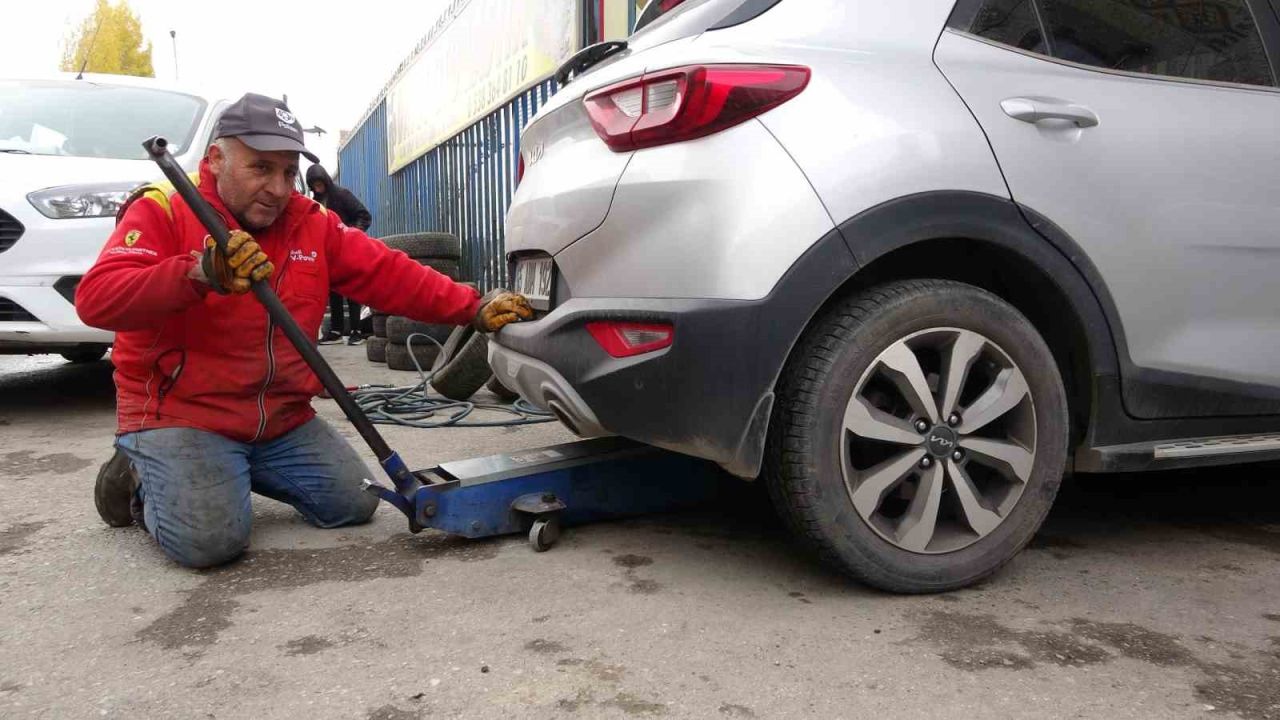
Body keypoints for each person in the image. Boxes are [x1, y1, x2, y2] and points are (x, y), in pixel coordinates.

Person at [77, 93, 533, 569]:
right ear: (216, 159)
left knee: (355, 504)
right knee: (209, 543)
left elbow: (387, 273)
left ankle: (225, 470)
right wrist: (198, 274)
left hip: (279, 417)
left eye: (287, 172)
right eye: (260, 168)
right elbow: (98, 298)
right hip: (183, 414)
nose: (277, 188)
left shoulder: (309, 222)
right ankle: (137, 474)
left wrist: (472, 306)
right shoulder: (165, 207)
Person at [305, 163, 372, 345]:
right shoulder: (316, 203)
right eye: (314, 185)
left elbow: (364, 215)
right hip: (329, 251)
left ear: (326, 181)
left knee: (352, 288)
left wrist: (352, 234)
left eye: (320, 184)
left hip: (348, 247)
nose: (318, 188)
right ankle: (336, 331)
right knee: (333, 290)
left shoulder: (342, 195)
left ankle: (356, 331)